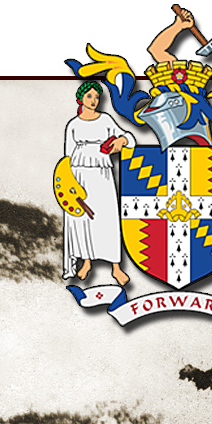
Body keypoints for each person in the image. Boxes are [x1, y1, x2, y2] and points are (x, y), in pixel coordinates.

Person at [60, 79, 132, 288]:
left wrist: (121, 141)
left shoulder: (106, 120)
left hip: (102, 174)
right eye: (89, 96)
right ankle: (86, 262)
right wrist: (70, 182)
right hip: (79, 174)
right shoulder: (73, 125)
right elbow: (67, 157)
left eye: (97, 97)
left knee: (107, 218)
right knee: (83, 221)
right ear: (80, 98)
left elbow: (128, 137)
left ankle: (116, 267)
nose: (93, 100)